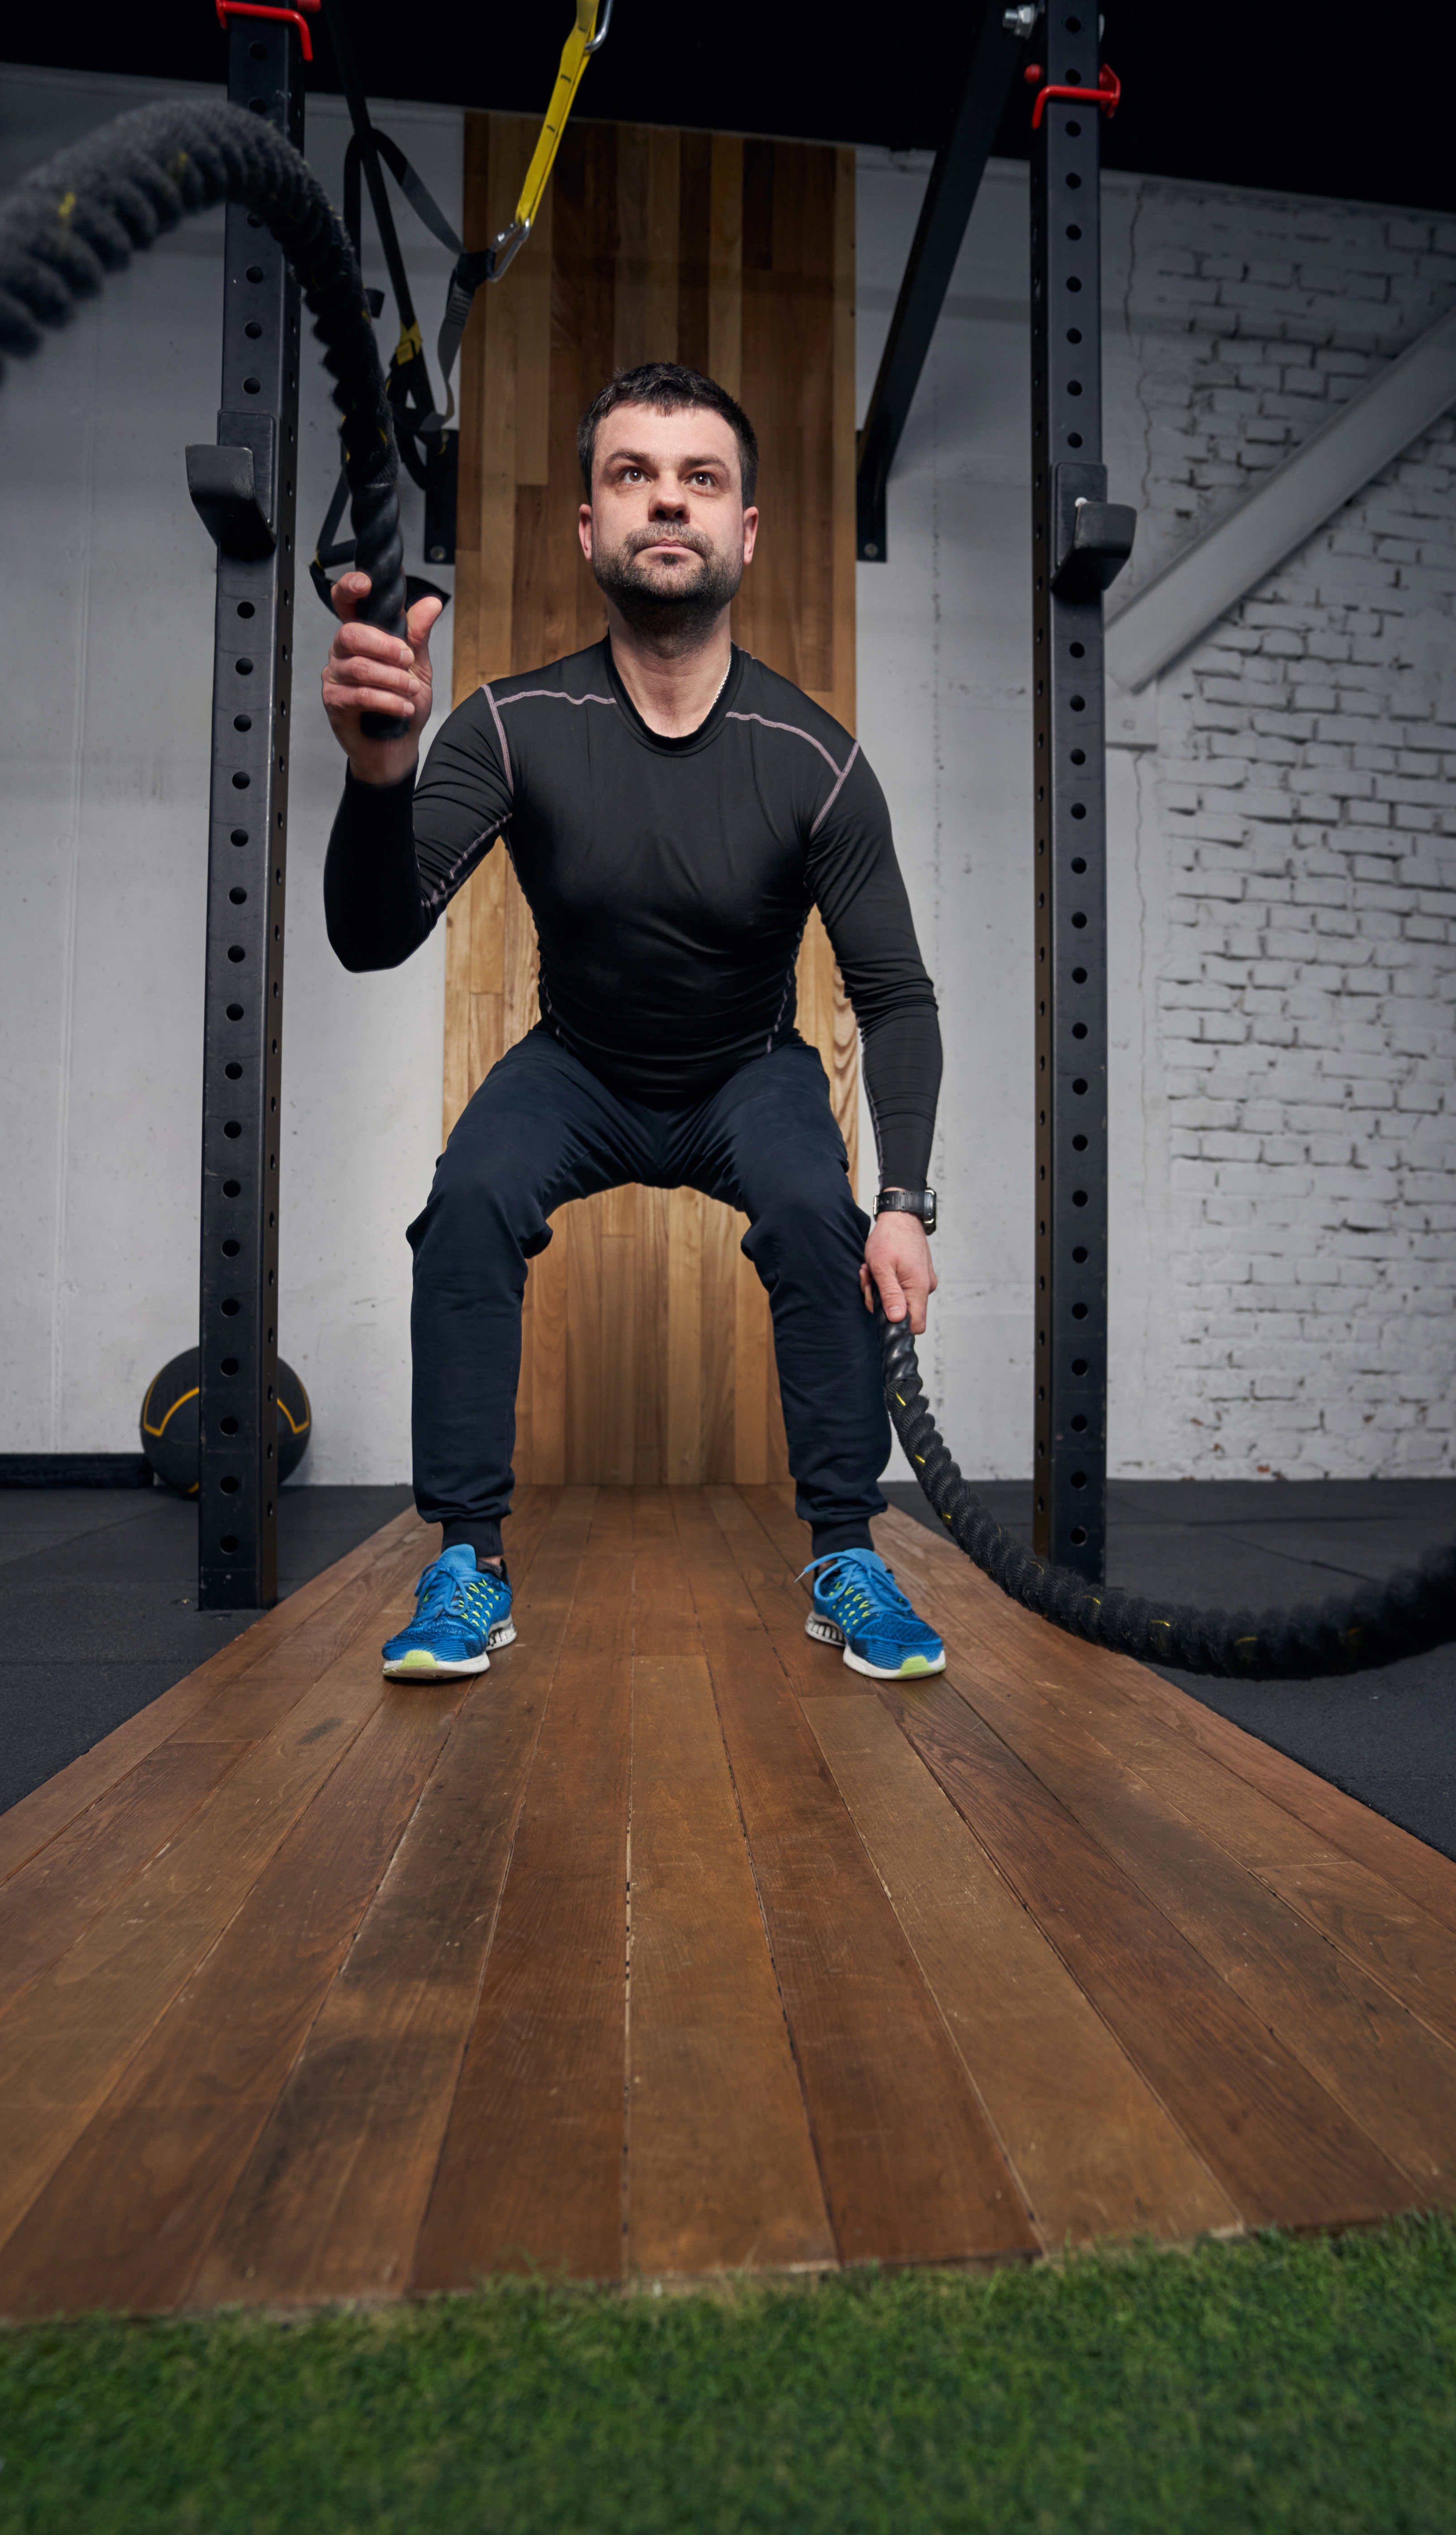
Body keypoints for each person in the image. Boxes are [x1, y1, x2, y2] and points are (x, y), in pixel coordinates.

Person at [321, 361, 947, 1683]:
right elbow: (371, 936)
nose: (667, 499)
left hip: (747, 1072)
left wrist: (906, 1204)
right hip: (582, 1066)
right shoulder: (511, 725)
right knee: (468, 1200)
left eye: (699, 478)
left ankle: (848, 1555)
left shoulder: (816, 761)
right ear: (588, 525)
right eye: (632, 475)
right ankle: (468, 1562)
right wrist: (379, 779)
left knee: (820, 1217)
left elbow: (896, 995)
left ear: (744, 531)